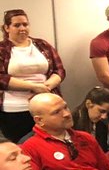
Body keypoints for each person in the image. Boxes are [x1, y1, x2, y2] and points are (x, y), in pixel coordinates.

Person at [0, 9, 66, 142]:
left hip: (46, 105)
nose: (22, 28)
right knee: (23, 145)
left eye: (25, 24)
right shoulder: (2, 49)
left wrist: (47, 86)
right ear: (7, 28)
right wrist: (33, 87)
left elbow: (59, 70)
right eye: (17, 25)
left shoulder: (42, 45)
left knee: (51, 143)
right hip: (16, 109)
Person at [71, 87, 109, 151]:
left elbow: (103, 149)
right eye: (102, 111)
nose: (104, 117)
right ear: (88, 104)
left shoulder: (102, 123)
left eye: (107, 113)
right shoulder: (71, 123)